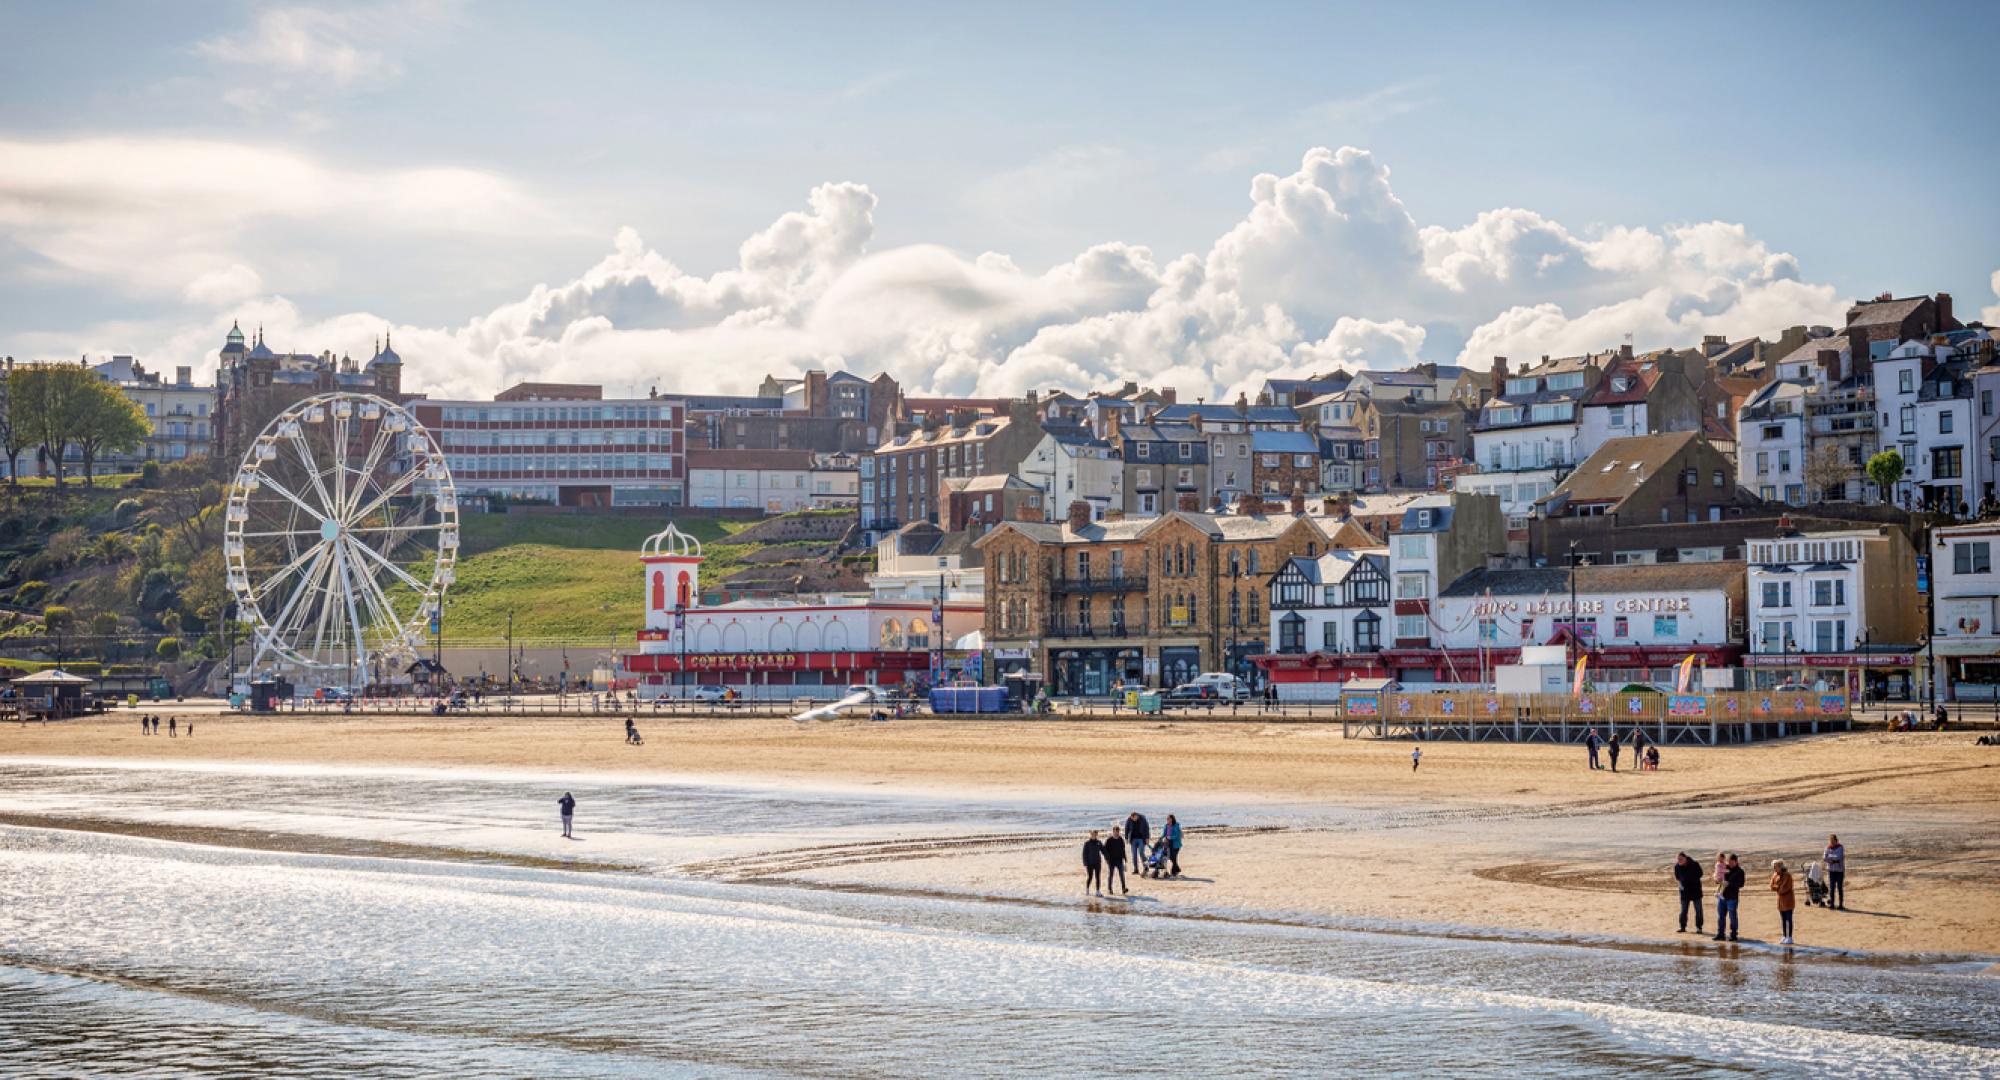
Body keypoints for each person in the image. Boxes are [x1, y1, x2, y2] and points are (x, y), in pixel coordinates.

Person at [1714, 853, 1744, 942]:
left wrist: (1730, 884)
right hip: (1722, 896)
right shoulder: (1724, 867)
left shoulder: (1740, 871)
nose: (1729, 864)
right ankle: (1720, 934)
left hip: (1732, 897)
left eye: (1731, 862)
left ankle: (1733, 935)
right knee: (1721, 916)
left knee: (1732, 917)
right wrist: (1716, 879)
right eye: (1728, 862)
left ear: (1736, 861)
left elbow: (1741, 884)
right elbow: (1717, 875)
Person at [1673, 852, 1705, 934]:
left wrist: (1691, 879)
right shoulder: (1677, 866)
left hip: (1695, 890)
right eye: (1678, 859)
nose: (1679, 861)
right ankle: (1682, 927)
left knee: (1698, 910)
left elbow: (1700, 874)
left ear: (1685, 858)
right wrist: (1681, 884)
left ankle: (1699, 928)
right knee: (1683, 910)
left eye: (1681, 859)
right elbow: (1677, 877)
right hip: (1684, 892)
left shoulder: (1694, 864)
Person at [1770, 859, 1797, 944]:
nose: (1774, 869)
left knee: (1788, 919)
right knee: (1783, 919)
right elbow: (1771, 886)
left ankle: (1790, 937)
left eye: (1775, 867)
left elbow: (1785, 888)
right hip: (1780, 901)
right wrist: (1778, 887)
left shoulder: (1787, 875)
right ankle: (1784, 936)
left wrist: (1778, 888)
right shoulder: (1774, 875)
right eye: (1773, 867)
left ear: (1780, 867)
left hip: (1788, 900)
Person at [1103, 826, 1128, 895]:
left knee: (1122, 875)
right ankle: (1109, 889)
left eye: (1118, 832)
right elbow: (1105, 851)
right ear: (1113, 832)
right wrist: (1106, 859)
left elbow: (1123, 850)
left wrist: (1125, 860)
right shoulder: (1109, 840)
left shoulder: (1121, 839)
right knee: (1111, 875)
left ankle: (1123, 888)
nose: (1117, 833)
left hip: (1119, 860)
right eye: (1115, 832)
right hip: (1111, 861)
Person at [1824, 834, 1846, 910]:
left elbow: (1839, 857)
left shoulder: (1840, 847)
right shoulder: (1827, 847)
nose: (1832, 842)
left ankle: (1840, 905)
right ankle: (1832, 904)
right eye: (1831, 841)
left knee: (1839, 888)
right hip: (1831, 871)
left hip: (1839, 871)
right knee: (1832, 888)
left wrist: (1831, 858)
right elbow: (1825, 857)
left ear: (1836, 840)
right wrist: (1833, 859)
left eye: (1833, 841)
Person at [1082, 829, 1104, 896]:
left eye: (1095, 835)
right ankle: (1087, 890)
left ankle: (1097, 891)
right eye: (1092, 834)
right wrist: (1085, 863)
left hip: (1097, 863)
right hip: (1090, 863)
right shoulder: (1087, 843)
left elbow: (1104, 851)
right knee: (1090, 877)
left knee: (1098, 877)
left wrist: (1108, 858)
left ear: (1097, 835)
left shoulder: (1099, 842)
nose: (1093, 836)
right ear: (1091, 835)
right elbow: (1084, 854)